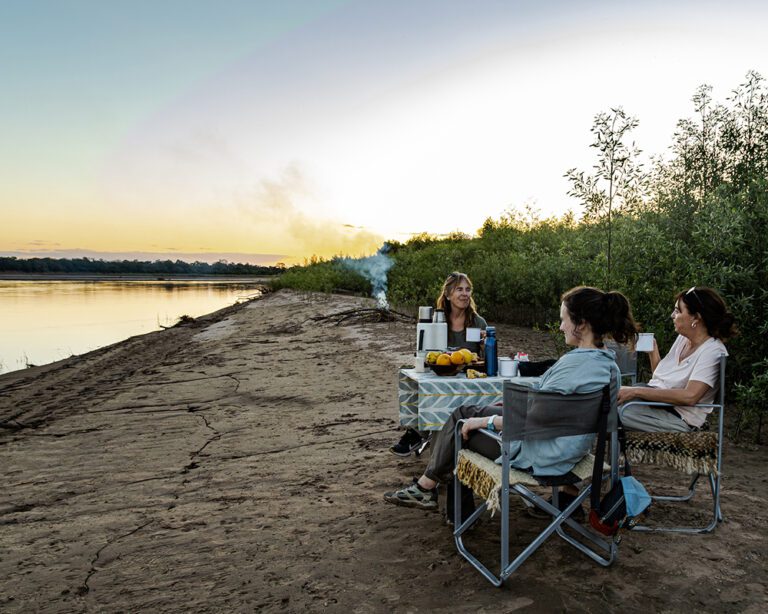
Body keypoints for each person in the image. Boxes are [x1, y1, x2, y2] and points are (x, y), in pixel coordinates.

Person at [384, 286, 637, 521]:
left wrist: (486, 421)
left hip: (541, 453)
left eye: (564, 320)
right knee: (466, 412)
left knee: (461, 423)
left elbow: (534, 419)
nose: (561, 327)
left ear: (581, 324)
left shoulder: (573, 365)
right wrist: (498, 409)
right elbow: (551, 409)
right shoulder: (609, 366)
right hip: (570, 445)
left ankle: (430, 490)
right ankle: (428, 487)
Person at [390, 272, 488, 456]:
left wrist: (485, 344)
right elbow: (427, 354)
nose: (465, 294)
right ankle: (416, 432)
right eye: (459, 289)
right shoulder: (437, 320)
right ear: (448, 294)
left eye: (468, 290)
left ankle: (430, 441)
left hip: (466, 379)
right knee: (419, 384)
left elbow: (483, 359)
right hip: (439, 374)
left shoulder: (477, 322)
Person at [618, 286, 737, 432]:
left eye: (678, 311)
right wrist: (653, 352)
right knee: (606, 402)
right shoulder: (683, 339)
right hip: (657, 405)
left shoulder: (712, 351)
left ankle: (587, 453)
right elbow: (663, 380)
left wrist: (635, 392)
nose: (672, 315)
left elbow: (690, 396)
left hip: (678, 418)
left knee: (614, 414)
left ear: (696, 318)